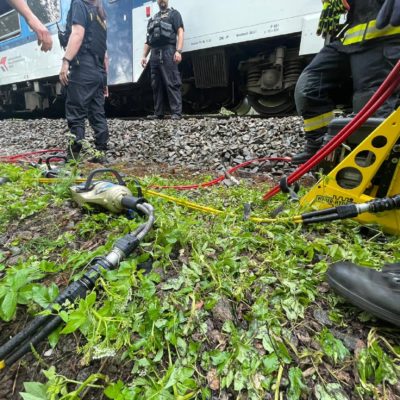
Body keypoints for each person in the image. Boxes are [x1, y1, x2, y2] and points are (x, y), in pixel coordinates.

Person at [292, 0, 400, 164]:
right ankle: (322, 146)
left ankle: (365, 167)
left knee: (368, 110)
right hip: (349, 38)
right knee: (307, 88)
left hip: (385, 39)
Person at [59, 0, 109, 163]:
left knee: (76, 111)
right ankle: (101, 154)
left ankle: (73, 157)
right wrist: (105, 80)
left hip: (84, 68)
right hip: (99, 71)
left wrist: (66, 61)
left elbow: (77, 34)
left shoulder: (79, 4)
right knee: (97, 113)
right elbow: (105, 53)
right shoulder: (100, 14)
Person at [141, 0, 184, 120]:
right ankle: (158, 112)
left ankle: (176, 113)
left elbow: (180, 32)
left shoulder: (174, 14)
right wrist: (144, 56)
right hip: (154, 54)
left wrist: (178, 51)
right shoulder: (153, 18)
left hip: (168, 51)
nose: (162, 1)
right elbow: (148, 40)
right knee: (156, 84)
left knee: (172, 82)